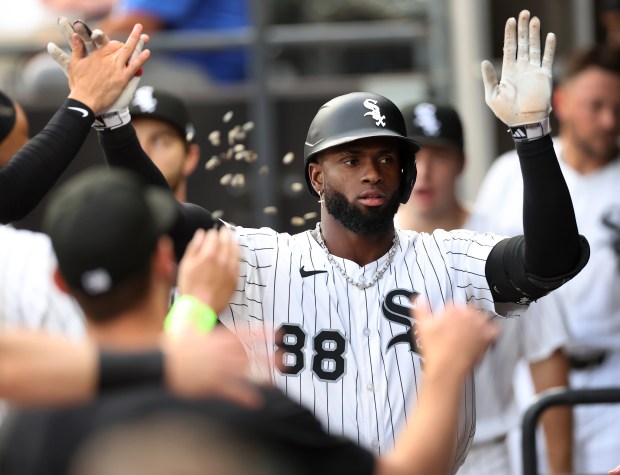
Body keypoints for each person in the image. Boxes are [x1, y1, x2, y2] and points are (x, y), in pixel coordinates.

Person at [84, 10, 591, 473]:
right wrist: (114, 126)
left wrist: (532, 135)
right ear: (316, 177)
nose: (372, 173)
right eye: (351, 160)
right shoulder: (261, 260)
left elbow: (552, 262)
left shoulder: (450, 260)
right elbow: (159, 215)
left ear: (407, 179)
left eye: (387, 160)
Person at [0, 165, 501, 475]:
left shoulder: (30, 427)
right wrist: (447, 367)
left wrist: (193, 314)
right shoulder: (242, 408)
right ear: (162, 262)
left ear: (60, 283)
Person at [395, 101, 573, 475]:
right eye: (415, 155)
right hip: (396, 453)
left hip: (483, 455)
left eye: (439, 156)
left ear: (462, 162)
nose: (424, 172)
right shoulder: (371, 243)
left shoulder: (504, 247)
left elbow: (548, 365)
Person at [471, 44, 620, 473]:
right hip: (527, 378)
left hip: (611, 380)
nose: (610, 120)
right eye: (596, 106)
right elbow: (482, 273)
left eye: (618, 107)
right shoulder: (506, 174)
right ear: (562, 102)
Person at [96, 0, 250, 84]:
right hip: (188, 62)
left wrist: (78, 38)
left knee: (82, 80)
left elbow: (138, 24)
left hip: (207, 73)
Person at [129, 85, 200, 202]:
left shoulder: (213, 220)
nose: (141, 153)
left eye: (160, 141)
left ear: (190, 157)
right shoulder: (90, 220)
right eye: (129, 141)